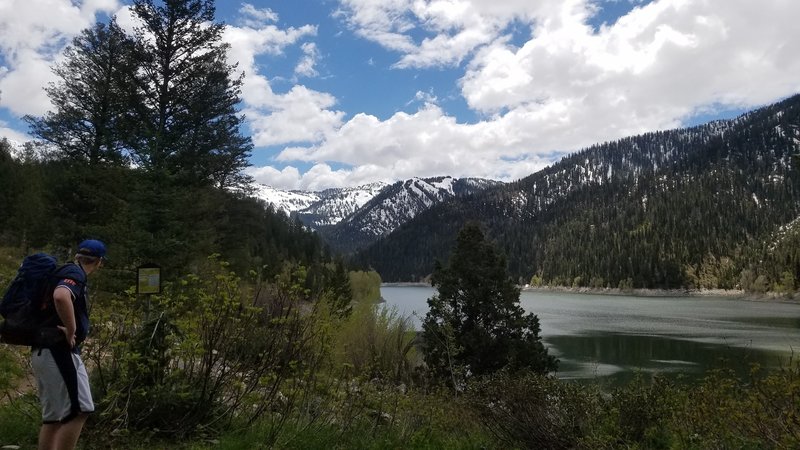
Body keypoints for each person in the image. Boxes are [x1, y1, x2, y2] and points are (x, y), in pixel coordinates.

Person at [31, 239, 106, 450]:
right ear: (99, 262)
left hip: (43, 350)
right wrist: (71, 329)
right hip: (58, 350)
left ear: (77, 255)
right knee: (79, 410)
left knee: (54, 417)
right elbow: (61, 296)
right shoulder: (75, 274)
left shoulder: (62, 271)